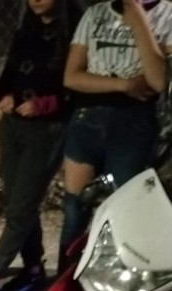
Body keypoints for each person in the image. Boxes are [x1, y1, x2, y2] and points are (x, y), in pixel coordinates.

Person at [0, 0, 81, 291]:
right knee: (19, 202)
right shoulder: (26, 31)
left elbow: (78, 87)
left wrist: (46, 104)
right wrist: (3, 95)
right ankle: (33, 268)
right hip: (13, 125)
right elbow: (8, 76)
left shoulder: (76, 31)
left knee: (20, 207)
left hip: (47, 129)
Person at [58, 0, 172, 272]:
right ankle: (65, 280)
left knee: (124, 212)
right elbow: (72, 76)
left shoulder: (167, 14)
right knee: (75, 209)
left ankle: (117, 281)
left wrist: (139, 20)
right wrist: (125, 84)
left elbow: (158, 81)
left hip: (134, 125)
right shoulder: (96, 13)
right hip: (87, 120)